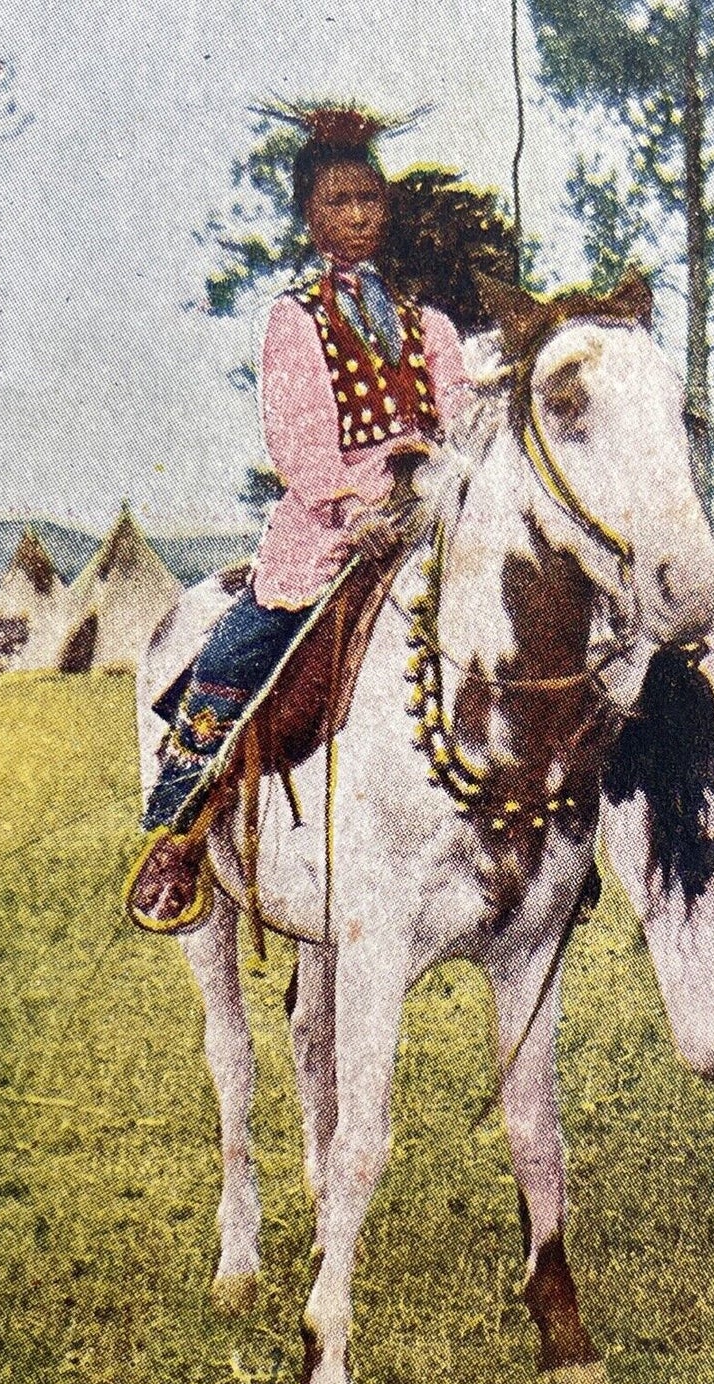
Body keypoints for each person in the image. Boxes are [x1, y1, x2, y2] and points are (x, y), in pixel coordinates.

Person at [125, 106, 467, 933]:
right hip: (331, 533)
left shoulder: (431, 323)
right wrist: (359, 507)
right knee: (239, 651)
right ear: (309, 217)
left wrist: (428, 493)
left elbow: (461, 426)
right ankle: (178, 825)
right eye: (338, 201)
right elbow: (298, 442)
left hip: (433, 522)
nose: (357, 216)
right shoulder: (295, 318)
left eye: (369, 200)